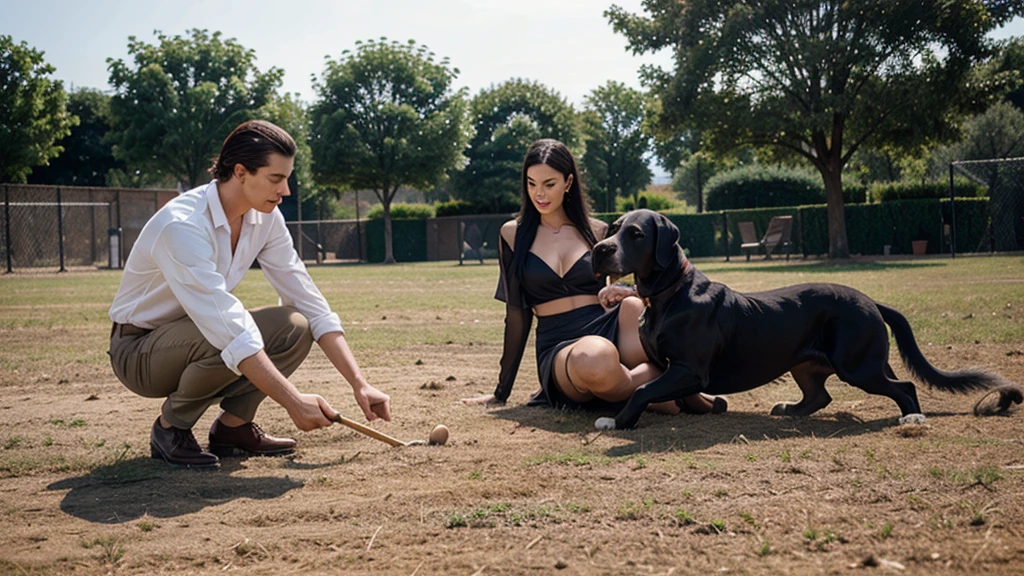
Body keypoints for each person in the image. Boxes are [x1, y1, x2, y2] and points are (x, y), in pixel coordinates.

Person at [108, 120, 391, 468]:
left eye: (287, 178)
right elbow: (226, 326)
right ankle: (171, 428)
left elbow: (306, 298)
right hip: (139, 352)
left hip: (197, 331)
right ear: (240, 172)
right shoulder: (183, 225)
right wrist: (293, 401)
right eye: (276, 179)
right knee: (229, 332)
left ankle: (233, 428)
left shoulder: (266, 218)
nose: (285, 190)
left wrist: (359, 383)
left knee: (294, 324)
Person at [461, 138, 726, 415]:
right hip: (560, 344)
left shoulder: (599, 232)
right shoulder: (512, 235)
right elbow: (517, 314)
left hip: (607, 325)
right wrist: (501, 392)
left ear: (568, 182)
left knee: (633, 308)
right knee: (596, 356)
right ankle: (668, 394)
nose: (539, 193)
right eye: (531, 184)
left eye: (549, 184)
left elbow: (632, 286)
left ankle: (659, 392)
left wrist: (628, 291)